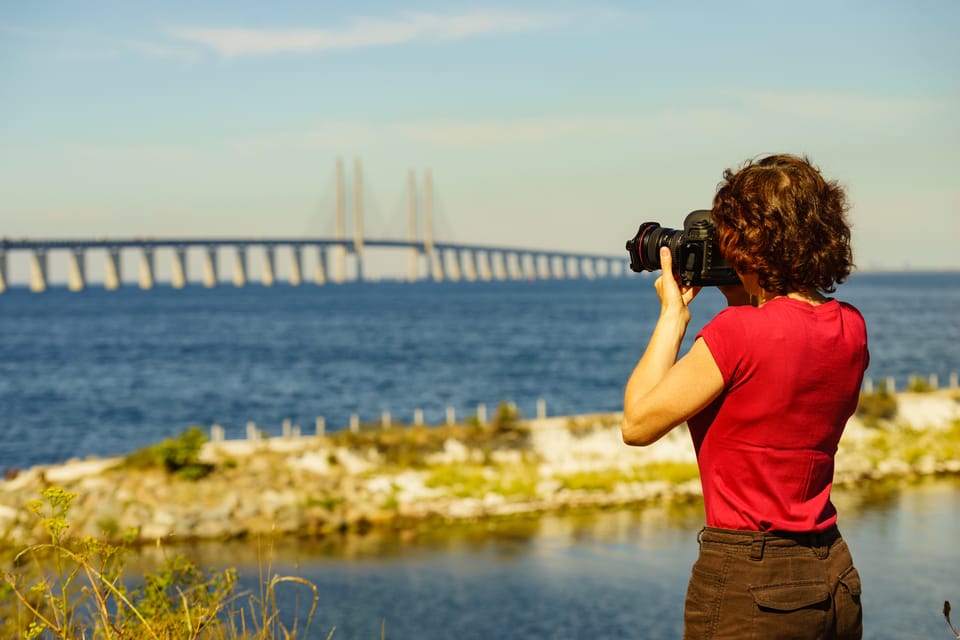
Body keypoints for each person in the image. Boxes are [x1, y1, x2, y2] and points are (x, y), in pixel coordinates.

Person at [621, 153, 868, 639]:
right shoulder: (850, 326)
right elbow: (779, 354)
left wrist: (673, 315)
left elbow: (637, 423)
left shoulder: (737, 333)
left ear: (750, 240)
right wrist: (743, 288)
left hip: (751, 582)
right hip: (832, 570)